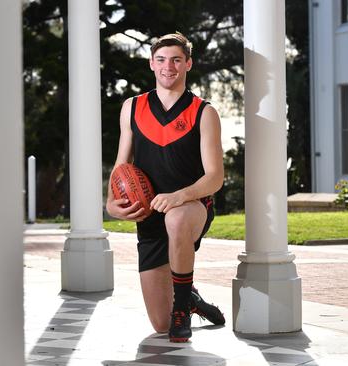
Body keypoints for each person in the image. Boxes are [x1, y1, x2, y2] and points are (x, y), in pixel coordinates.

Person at [106, 32, 225, 343]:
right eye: (161, 60)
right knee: (160, 324)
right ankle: (191, 299)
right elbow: (122, 165)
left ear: (188, 64)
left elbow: (215, 177)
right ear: (151, 64)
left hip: (192, 206)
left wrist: (179, 196)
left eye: (175, 60)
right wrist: (110, 202)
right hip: (149, 215)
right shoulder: (132, 107)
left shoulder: (204, 112)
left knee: (176, 218)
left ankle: (182, 308)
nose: (168, 66)